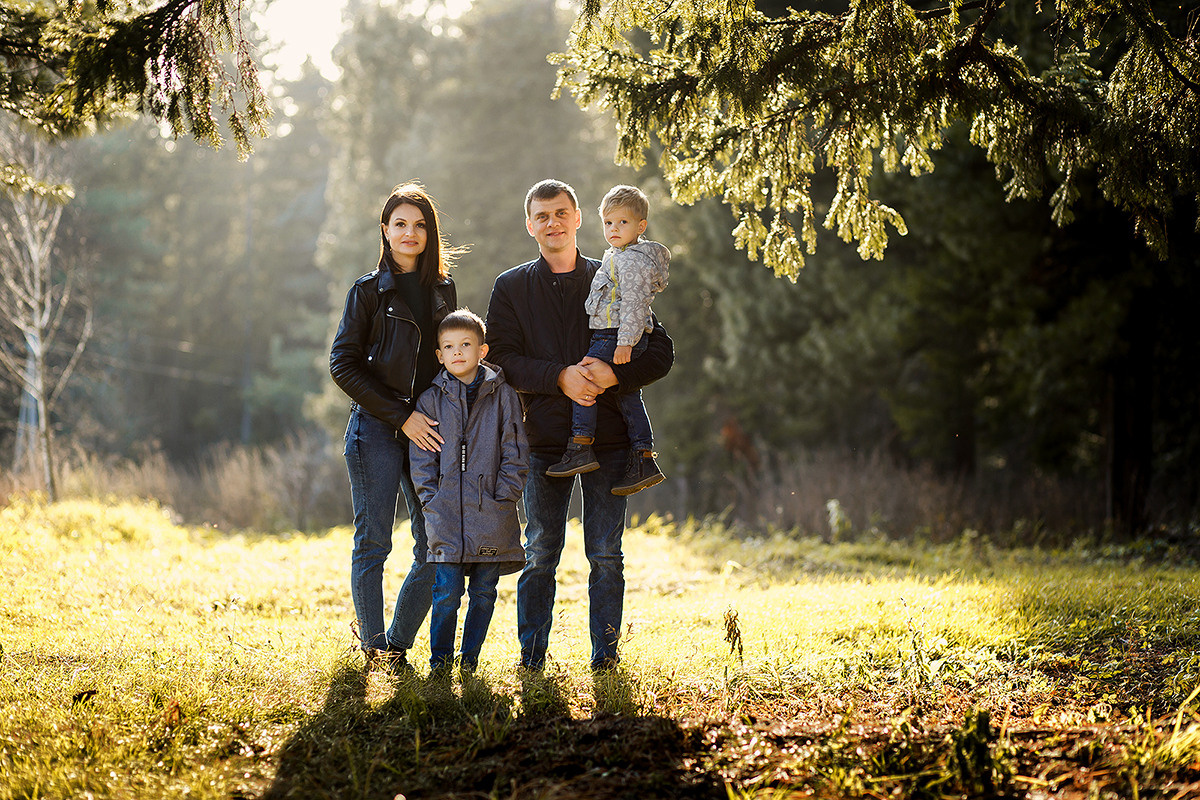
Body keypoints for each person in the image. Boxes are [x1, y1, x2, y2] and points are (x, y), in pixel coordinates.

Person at [485, 178, 674, 671]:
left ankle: (606, 657)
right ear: (530, 225)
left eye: (561, 212)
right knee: (541, 550)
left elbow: (661, 349)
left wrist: (615, 372)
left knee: (606, 554)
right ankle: (531, 658)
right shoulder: (511, 287)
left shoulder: (613, 270)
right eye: (542, 215)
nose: (553, 222)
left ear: (577, 219)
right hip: (545, 441)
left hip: (611, 441)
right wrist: (560, 378)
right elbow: (501, 359)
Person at [330, 182, 462, 671]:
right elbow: (342, 364)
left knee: (435, 543)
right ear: (385, 232)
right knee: (374, 541)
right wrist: (400, 415)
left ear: (430, 233)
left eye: (420, 224)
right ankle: (371, 645)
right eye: (400, 224)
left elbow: (453, 359)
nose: (410, 232)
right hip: (377, 430)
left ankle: (396, 645)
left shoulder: (444, 291)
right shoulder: (367, 292)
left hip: (429, 431)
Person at [409, 310, 528, 673]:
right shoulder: (430, 400)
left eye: (465, 345)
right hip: (444, 514)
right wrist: (431, 499)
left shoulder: (504, 395)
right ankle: (440, 664)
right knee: (446, 593)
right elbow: (422, 458)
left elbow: (515, 449)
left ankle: (469, 661)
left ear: (482, 350)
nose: (457, 352)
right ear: (439, 355)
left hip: (492, 513)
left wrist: (505, 494)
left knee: (484, 592)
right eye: (448, 346)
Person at [545, 184, 670, 495]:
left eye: (622, 223)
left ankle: (580, 444)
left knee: (586, 379)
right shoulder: (619, 256)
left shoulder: (631, 262)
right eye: (608, 223)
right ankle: (643, 456)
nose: (614, 229)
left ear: (640, 226)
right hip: (615, 331)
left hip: (615, 334)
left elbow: (635, 303)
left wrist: (626, 342)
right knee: (627, 395)